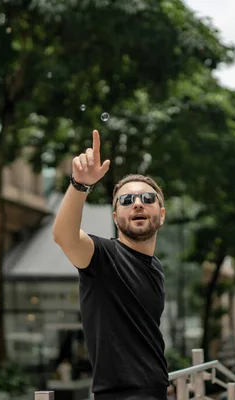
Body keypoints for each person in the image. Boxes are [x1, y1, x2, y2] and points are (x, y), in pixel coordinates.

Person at [53, 129, 169, 400]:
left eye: (148, 198)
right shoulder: (103, 257)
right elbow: (64, 236)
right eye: (127, 200)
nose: (137, 204)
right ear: (116, 216)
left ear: (161, 215)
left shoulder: (157, 268)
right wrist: (80, 185)